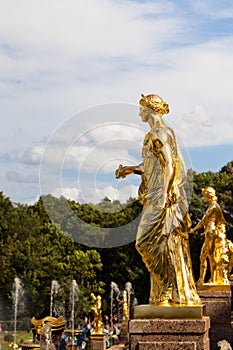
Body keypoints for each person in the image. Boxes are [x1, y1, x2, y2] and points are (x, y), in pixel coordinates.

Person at [116, 93, 200, 305]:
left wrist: (164, 194)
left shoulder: (159, 134)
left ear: (150, 109)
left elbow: (170, 164)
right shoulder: (160, 133)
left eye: (142, 108)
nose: (139, 112)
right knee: (160, 243)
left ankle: (166, 284)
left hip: (160, 197)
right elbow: (153, 166)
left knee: (143, 243)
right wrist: (131, 169)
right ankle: (167, 288)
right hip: (156, 194)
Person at [190, 186, 229, 285]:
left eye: (204, 196)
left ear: (209, 195)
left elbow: (203, 220)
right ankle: (201, 280)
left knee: (211, 256)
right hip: (209, 232)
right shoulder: (212, 206)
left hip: (211, 232)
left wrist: (193, 230)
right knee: (203, 256)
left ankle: (213, 279)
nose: (204, 198)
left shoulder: (214, 206)